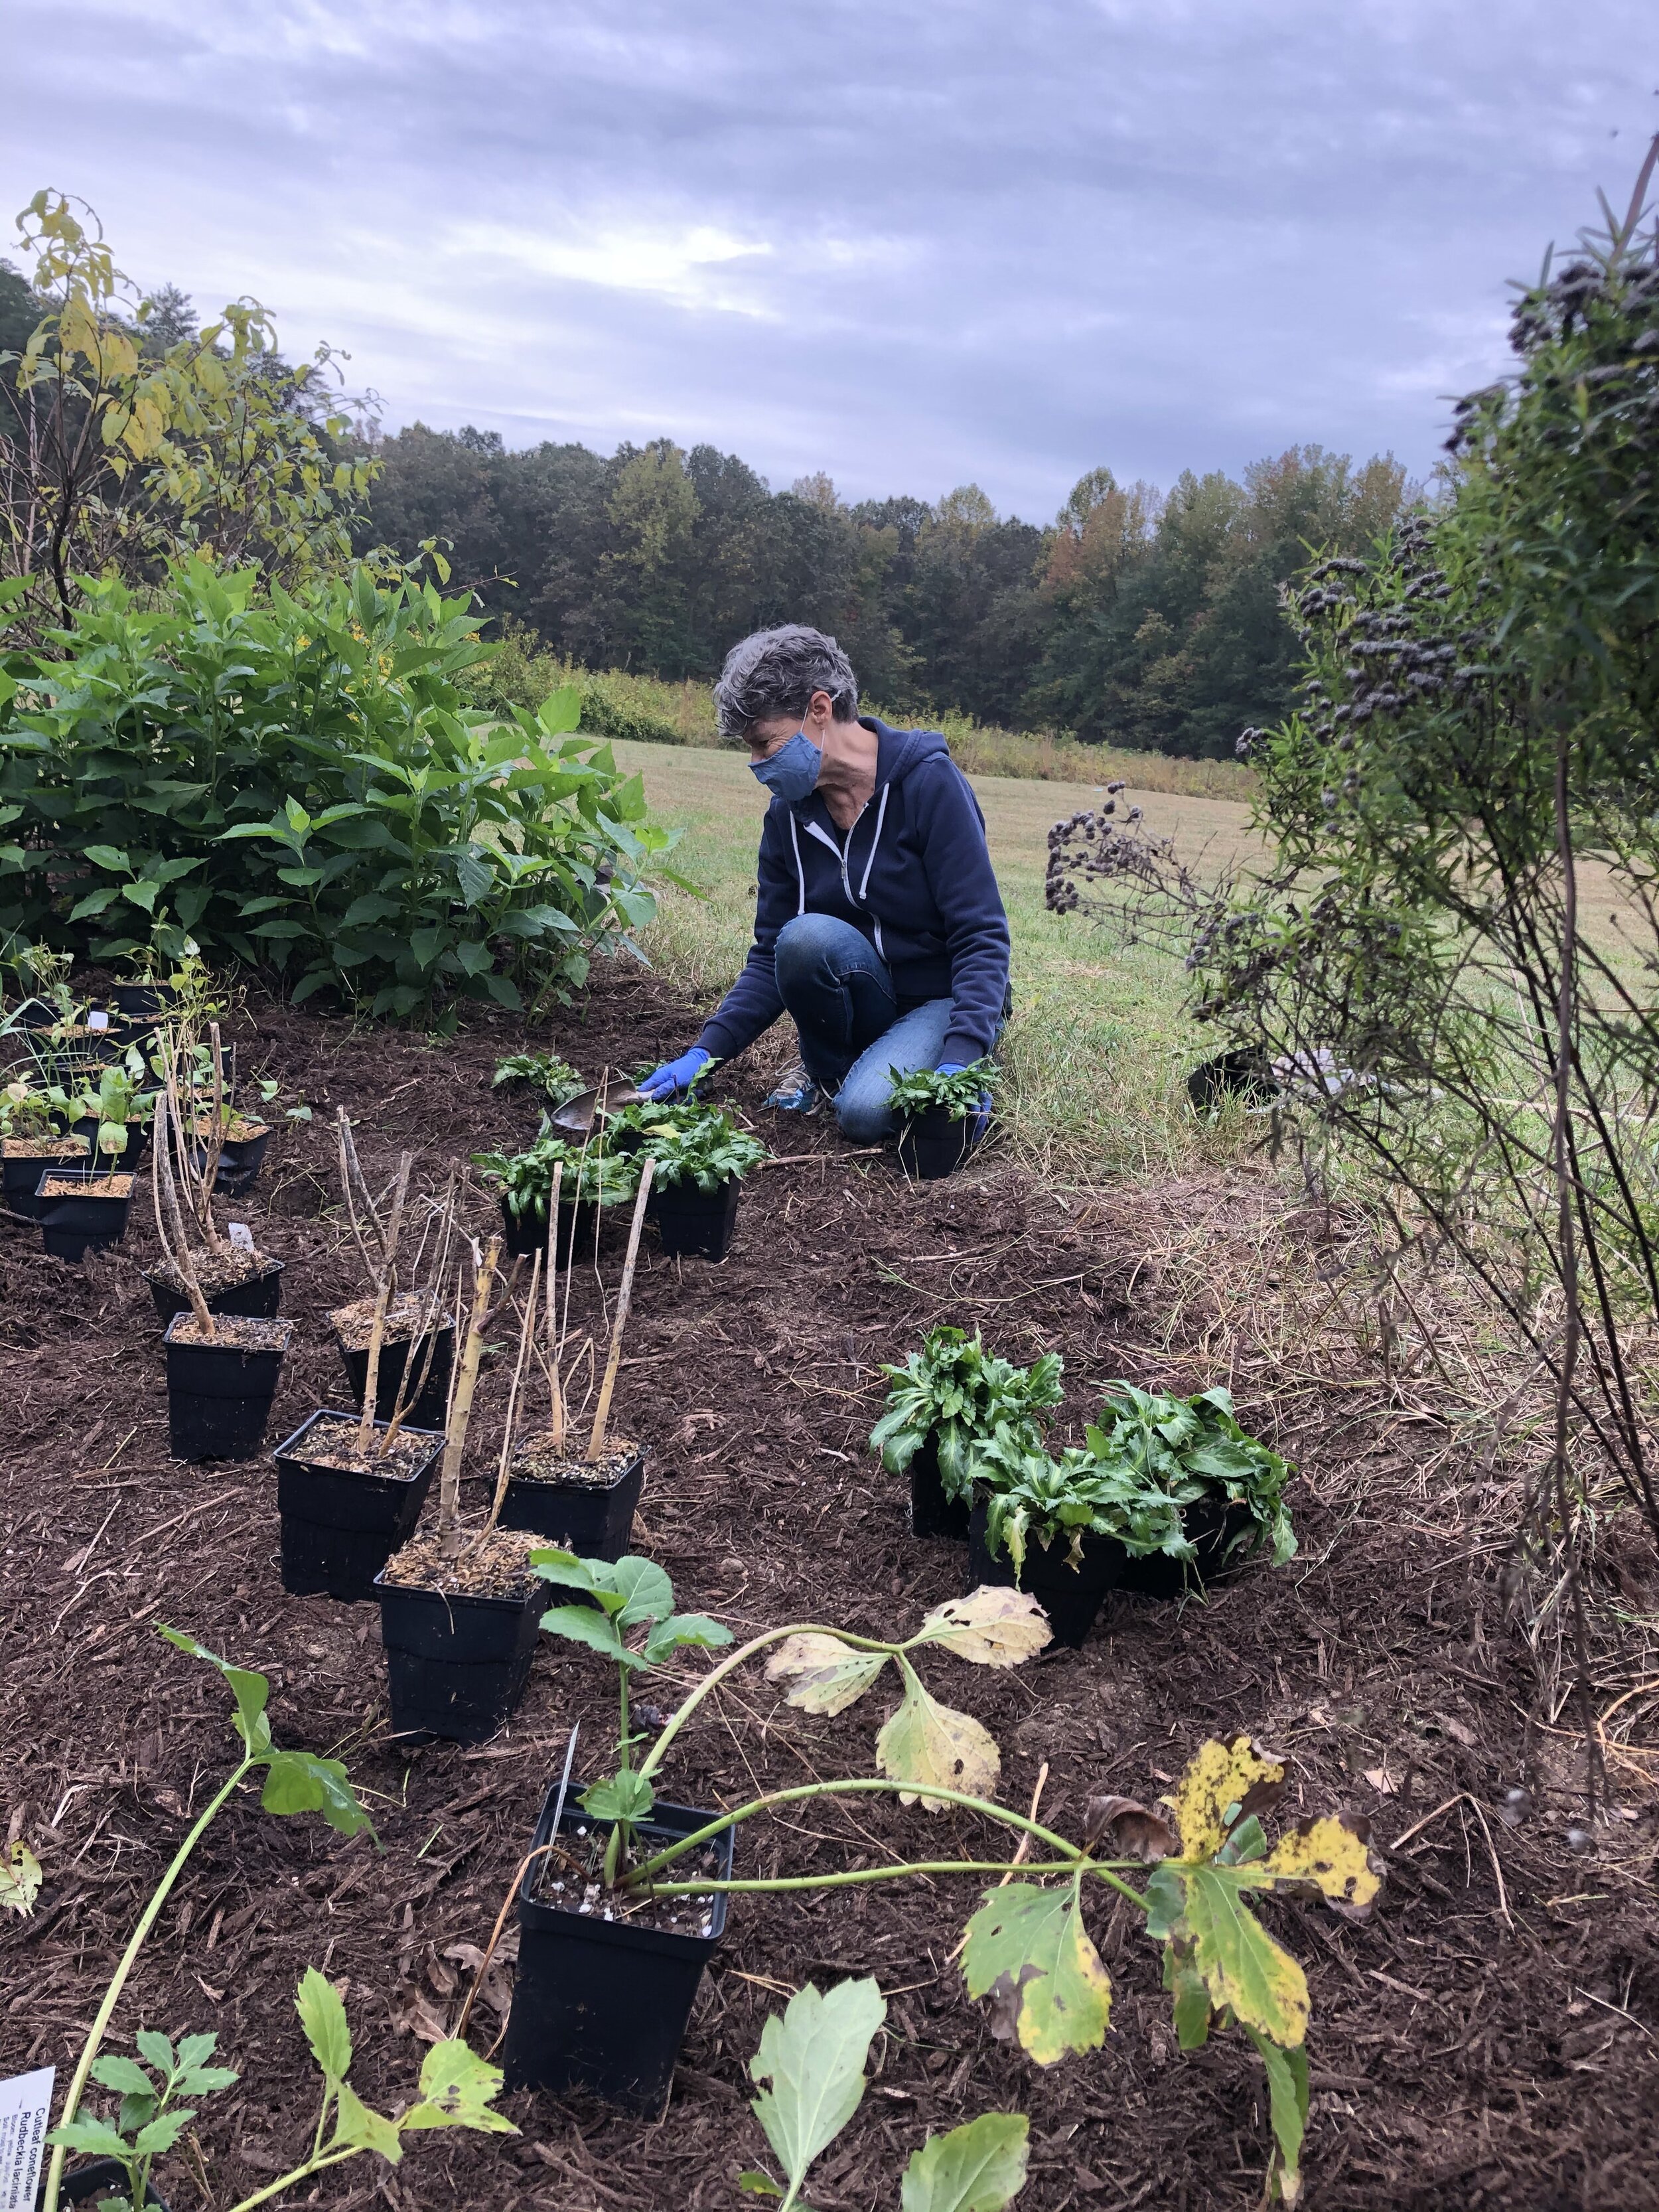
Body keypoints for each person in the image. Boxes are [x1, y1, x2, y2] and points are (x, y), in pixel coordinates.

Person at [638, 625, 1010, 1142]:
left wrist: (964, 1055)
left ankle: (921, 1062)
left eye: (765, 742)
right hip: (870, 995)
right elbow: (772, 954)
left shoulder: (930, 786)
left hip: (939, 999)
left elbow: (982, 936)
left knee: (866, 1116)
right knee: (805, 938)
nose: (757, 763)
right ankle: (829, 1071)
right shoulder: (787, 818)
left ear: (820, 709)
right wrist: (704, 1054)